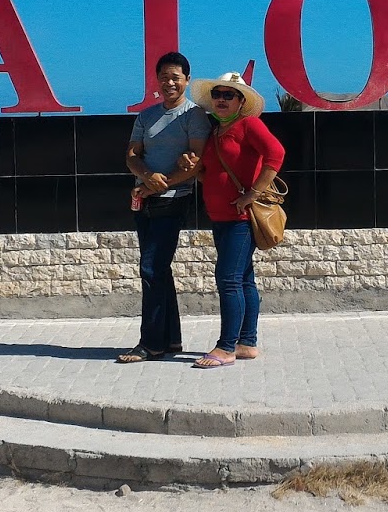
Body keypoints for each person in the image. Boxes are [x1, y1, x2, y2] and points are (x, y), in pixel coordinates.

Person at [117, 52, 210, 364]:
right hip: (144, 201)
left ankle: (151, 344)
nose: (169, 82)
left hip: (172, 202)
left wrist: (162, 183)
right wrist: (146, 177)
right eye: (164, 77)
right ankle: (170, 340)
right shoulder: (146, 116)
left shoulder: (194, 116)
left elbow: (195, 162)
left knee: (151, 269)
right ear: (157, 80)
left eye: (176, 77)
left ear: (186, 80)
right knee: (159, 270)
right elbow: (132, 155)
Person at [188, 69, 285, 369]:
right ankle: (247, 342)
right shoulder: (216, 131)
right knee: (243, 279)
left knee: (228, 279)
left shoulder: (249, 125)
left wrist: (252, 194)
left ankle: (226, 347)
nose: (220, 99)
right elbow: (212, 173)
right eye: (216, 94)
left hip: (240, 218)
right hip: (221, 216)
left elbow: (276, 154)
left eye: (228, 95)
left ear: (241, 101)